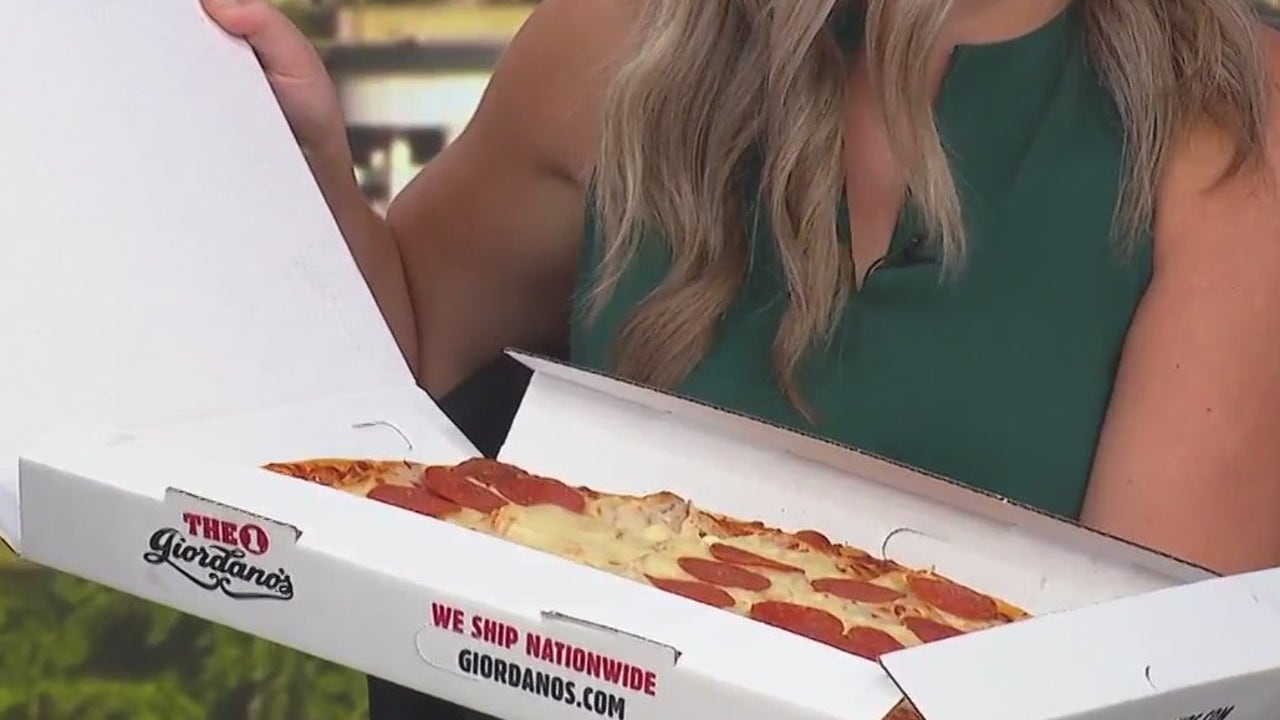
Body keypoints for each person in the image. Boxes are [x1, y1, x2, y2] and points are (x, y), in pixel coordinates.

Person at [201, 0, 1280, 713]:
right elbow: (394, 361)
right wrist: (298, 165)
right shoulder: (620, 36)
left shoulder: (1231, 122)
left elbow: (1141, 676)